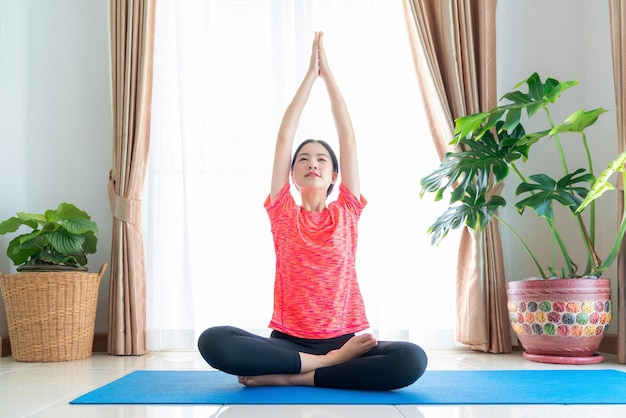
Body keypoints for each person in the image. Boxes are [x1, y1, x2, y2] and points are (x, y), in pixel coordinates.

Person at [197, 31, 427, 391]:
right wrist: (309, 76)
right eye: (303, 159)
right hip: (289, 342)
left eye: (321, 158)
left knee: (413, 360)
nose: (312, 163)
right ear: (292, 174)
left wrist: (328, 74)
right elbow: (284, 137)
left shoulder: (348, 210)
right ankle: (326, 366)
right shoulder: (282, 211)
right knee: (213, 341)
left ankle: (294, 377)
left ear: (335, 174)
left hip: (346, 339)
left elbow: (348, 136)